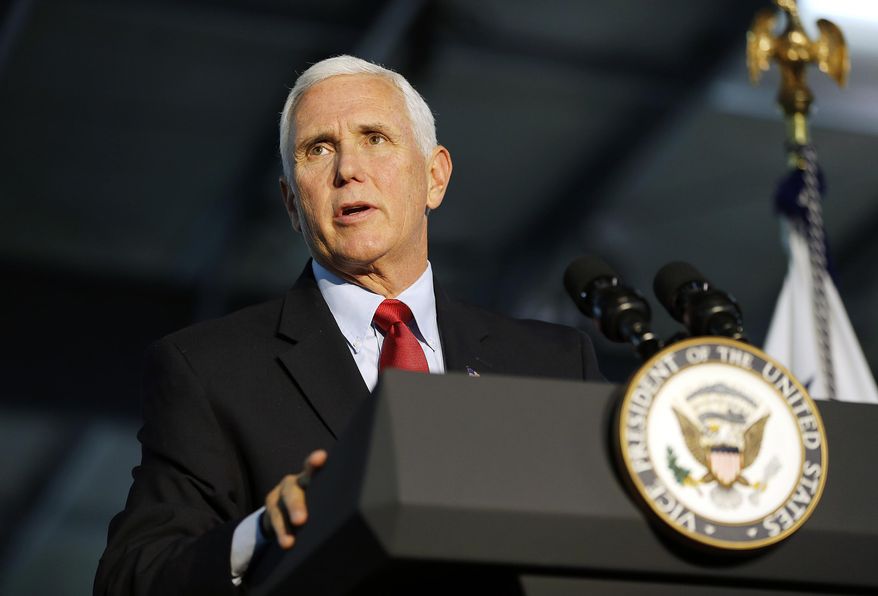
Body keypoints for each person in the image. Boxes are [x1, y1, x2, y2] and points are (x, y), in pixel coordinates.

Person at [94, 55, 602, 595]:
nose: (347, 169)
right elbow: (132, 577)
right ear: (292, 202)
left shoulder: (553, 364)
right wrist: (260, 536)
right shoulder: (209, 371)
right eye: (319, 149)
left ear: (434, 177)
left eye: (375, 138)